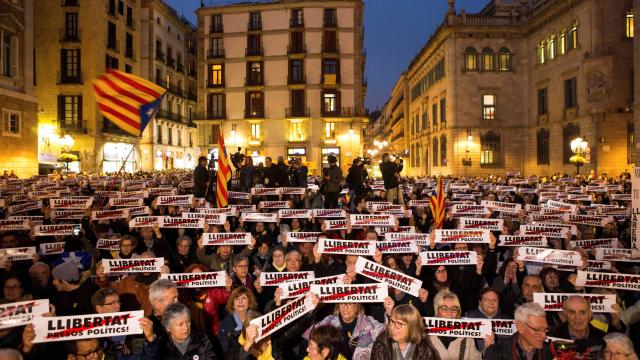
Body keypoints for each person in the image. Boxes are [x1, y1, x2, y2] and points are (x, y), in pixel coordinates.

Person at [303, 302, 386, 360]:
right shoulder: (328, 321)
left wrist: (389, 312)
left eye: (349, 304)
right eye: (342, 303)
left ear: (357, 306)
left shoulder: (369, 323)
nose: (345, 307)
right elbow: (307, 333)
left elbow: (389, 332)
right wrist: (309, 311)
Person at [429, 291, 488, 359]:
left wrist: (486, 349)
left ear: (458, 312)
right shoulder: (427, 336)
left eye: (454, 309)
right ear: (437, 311)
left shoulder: (467, 336)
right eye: (444, 308)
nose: (449, 313)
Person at [485, 302, 552, 360]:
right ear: (521, 327)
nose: (544, 336)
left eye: (545, 329)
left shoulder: (552, 353)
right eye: (537, 330)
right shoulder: (497, 353)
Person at [370, 304, 439, 360]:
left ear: (412, 327)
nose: (393, 327)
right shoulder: (381, 343)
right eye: (392, 322)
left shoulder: (425, 349)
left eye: (399, 324)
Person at [218, 286, 261, 357]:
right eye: (237, 299)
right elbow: (226, 353)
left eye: (243, 298)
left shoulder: (258, 320)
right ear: (233, 305)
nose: (240, 301)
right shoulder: (224, 325)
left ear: (249, 303)